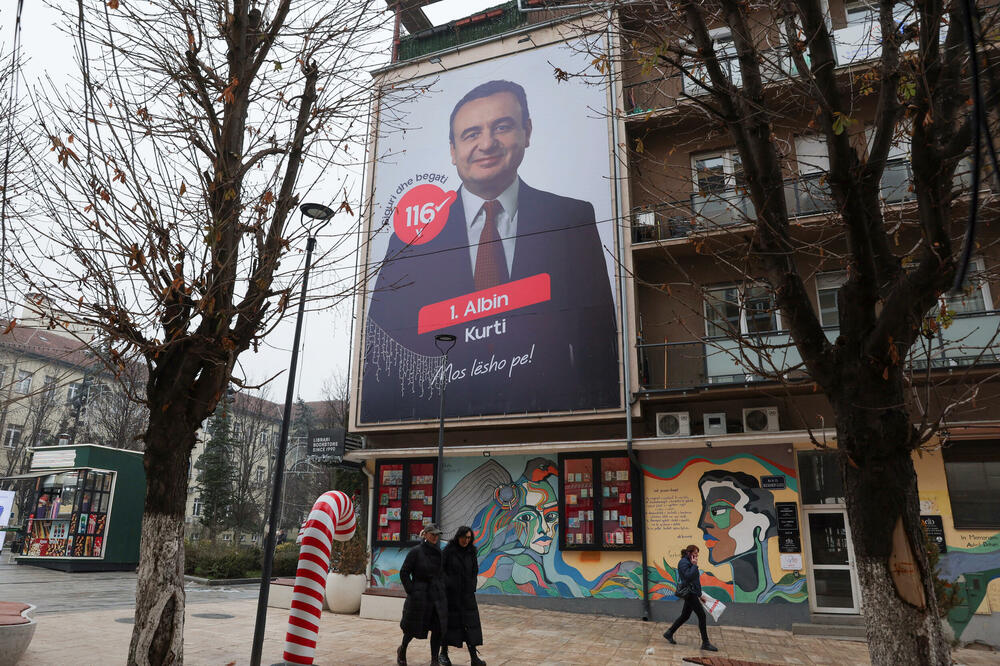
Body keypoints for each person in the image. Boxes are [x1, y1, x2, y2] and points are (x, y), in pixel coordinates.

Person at [362, 79, 619, 422]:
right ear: (452, 151)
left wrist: (601, 419)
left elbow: (598, 341)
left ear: (527, 132)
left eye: (502, 127)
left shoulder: (571, 218)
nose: (487, 144)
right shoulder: (412, 238)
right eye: (470, 134)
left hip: (553, 418)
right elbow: (381, 351)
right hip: (438, 422)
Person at [398, 522, 448, 666]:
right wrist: (412, 590)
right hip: (420, 597)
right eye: (432, 534)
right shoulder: (416, 551)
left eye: (437, 535)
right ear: (425, 534)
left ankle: (434, 659)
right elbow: (404, 572)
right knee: (412, 629)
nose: (435, 537)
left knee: (438, 628)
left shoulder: (439, 553)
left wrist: (442, 587)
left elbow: (442, 573)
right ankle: (402, 650)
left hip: (436, 597)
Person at [441, 526, 486, 666]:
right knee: (448, 625)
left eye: (468, 538)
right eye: (463, 537)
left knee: (470, 626)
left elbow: (474, 571)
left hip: (467, 596)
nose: (465, 540)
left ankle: (474, 657)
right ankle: (443, 654)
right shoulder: (449, 551)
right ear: (458, 536)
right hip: (451, 596)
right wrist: (449, 583)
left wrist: (472, 586)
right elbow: (441, 570)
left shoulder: (471, 552)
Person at [663, 545, 718, 652]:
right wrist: (694, 565)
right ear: (689, 553)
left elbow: (693, 578)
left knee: (685, 615)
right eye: (695, 553)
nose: (697, 555)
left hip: (693, 593)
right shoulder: (684, 562)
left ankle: (669, 633)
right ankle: (705, 643)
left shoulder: (688, 562)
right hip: (690, 593)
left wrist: (699, 593)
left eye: (697, 553)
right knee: (702, 616)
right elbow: (688, 577)